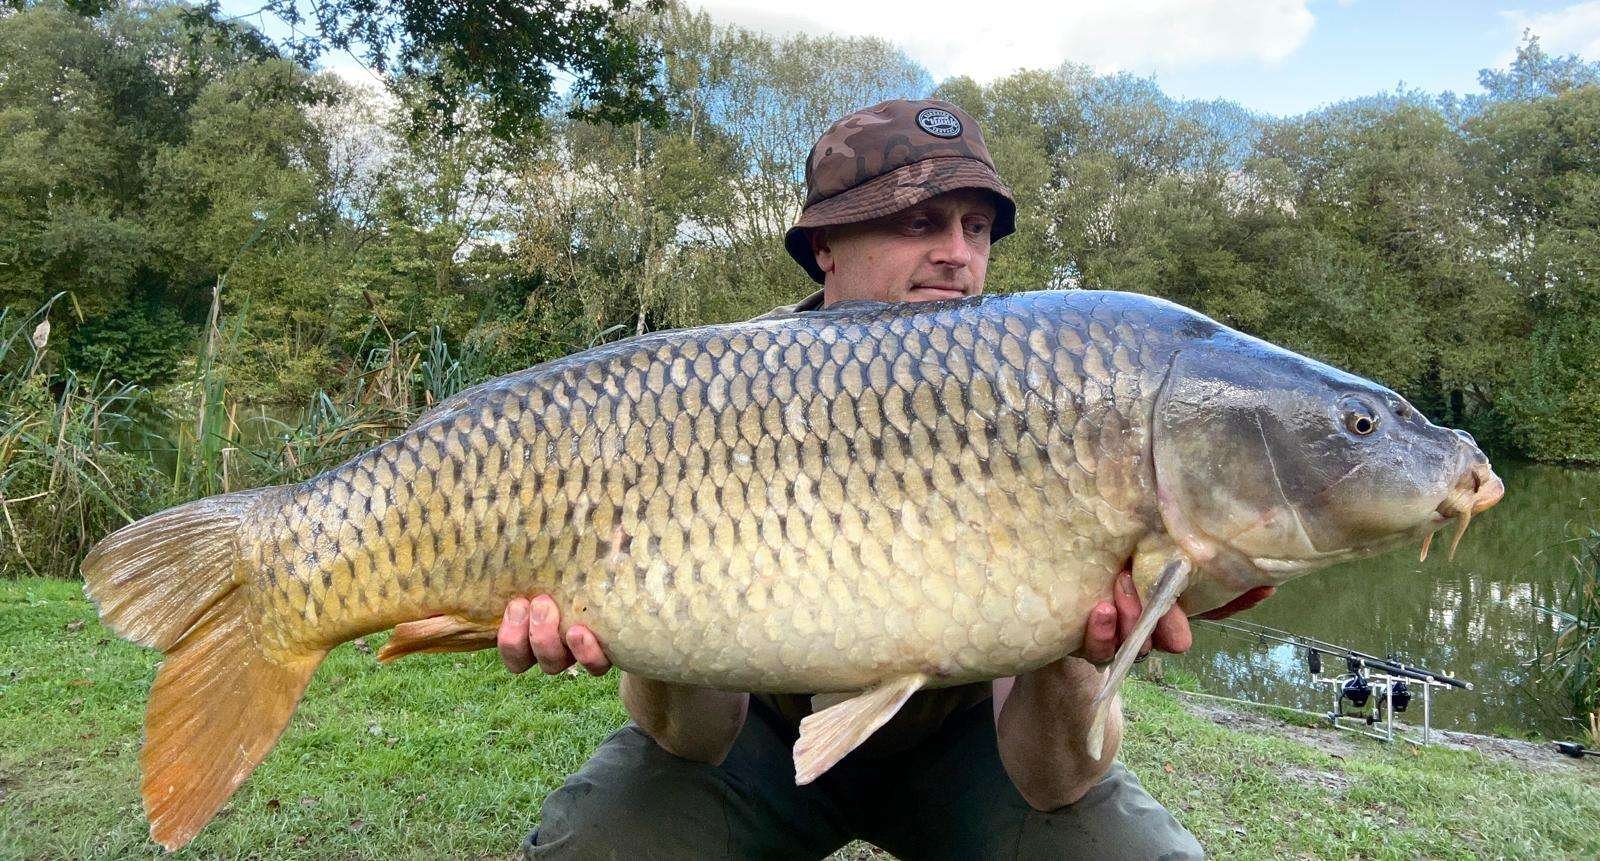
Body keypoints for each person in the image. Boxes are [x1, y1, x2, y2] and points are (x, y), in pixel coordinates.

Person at [500, 99, 1272, 859]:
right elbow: (691, 736)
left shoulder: (1049, 395)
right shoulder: (708, 394)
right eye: (919, 222)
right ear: (825, 245)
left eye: (976, 227)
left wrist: (1084, 641)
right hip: (760, 730)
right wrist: (628, 623)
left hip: (969, 740)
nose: (958, 254)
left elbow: (1053, 778)